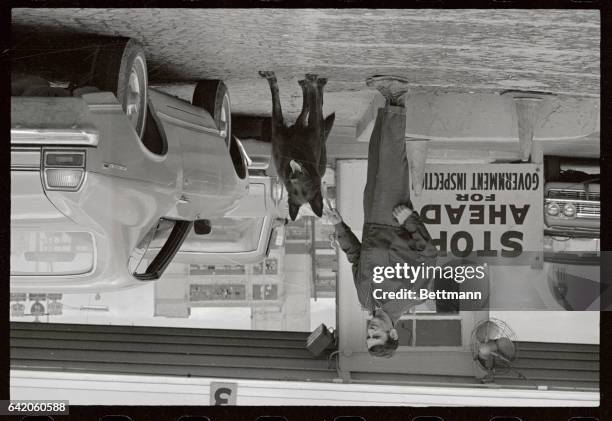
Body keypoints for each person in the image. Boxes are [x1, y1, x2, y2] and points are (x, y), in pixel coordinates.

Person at [324, 75, 438, 358]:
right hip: (393, 218)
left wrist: (339, 226)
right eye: (376, 334)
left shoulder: (365, 299)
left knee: (376, 155)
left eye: (367, 335)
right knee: (390, 158)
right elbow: (430, 255)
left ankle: (390, 101)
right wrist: (410, 220)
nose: (370, 329)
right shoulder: (414, 295)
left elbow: (355, 257)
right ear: (393, 332)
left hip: (370, 219)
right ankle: (397, 94)